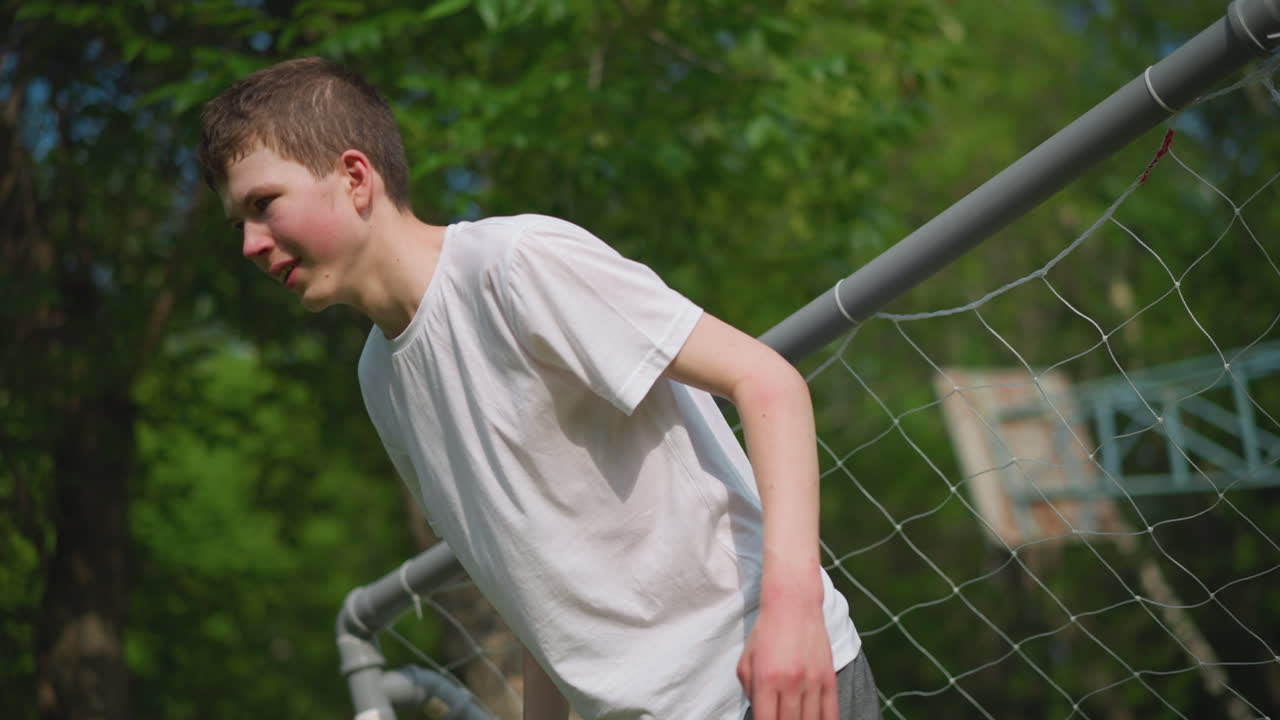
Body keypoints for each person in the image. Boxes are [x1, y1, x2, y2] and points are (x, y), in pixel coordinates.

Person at [197, 56, 879, 720]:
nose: (251, 244)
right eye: (239, 224)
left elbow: (768, 380)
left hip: (762, 688)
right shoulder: (380, 378)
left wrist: (794, 616)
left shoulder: (516, 266)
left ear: (354, 177)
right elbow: (532, 587)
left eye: (264, 204)